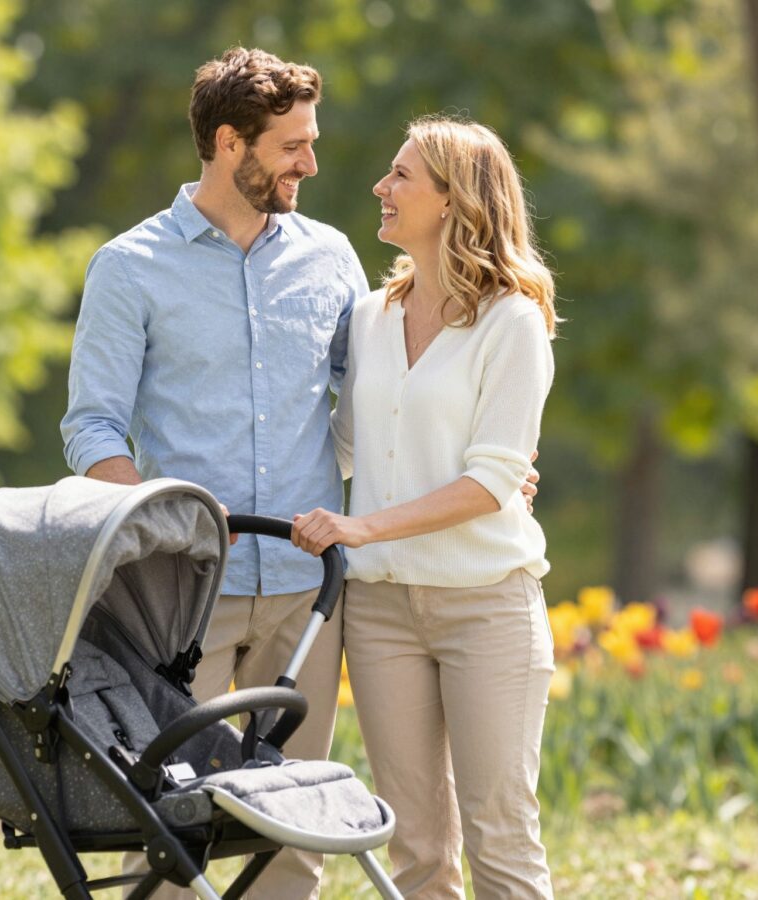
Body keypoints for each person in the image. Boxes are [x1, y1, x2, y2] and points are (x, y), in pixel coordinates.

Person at [60, 48, 365, 899]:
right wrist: (167, 523)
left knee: (295, 820)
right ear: (231, 144)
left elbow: (376, 405)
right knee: (162, 814)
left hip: (306, 585)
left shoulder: (332, 257)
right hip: (181, 592)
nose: (311, 161)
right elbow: (91, 427)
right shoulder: (130, 266)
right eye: (293, 145)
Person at [291, 116, 557, 898]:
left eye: (401, 174)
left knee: (500, 832)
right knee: (414, 845)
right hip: (380, 613)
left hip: (488, 607)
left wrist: (362, 526)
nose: (381, 186)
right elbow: (342, 446)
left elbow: (491, 481)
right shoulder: (371, 318)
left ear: (452, 200)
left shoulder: (513, 321)